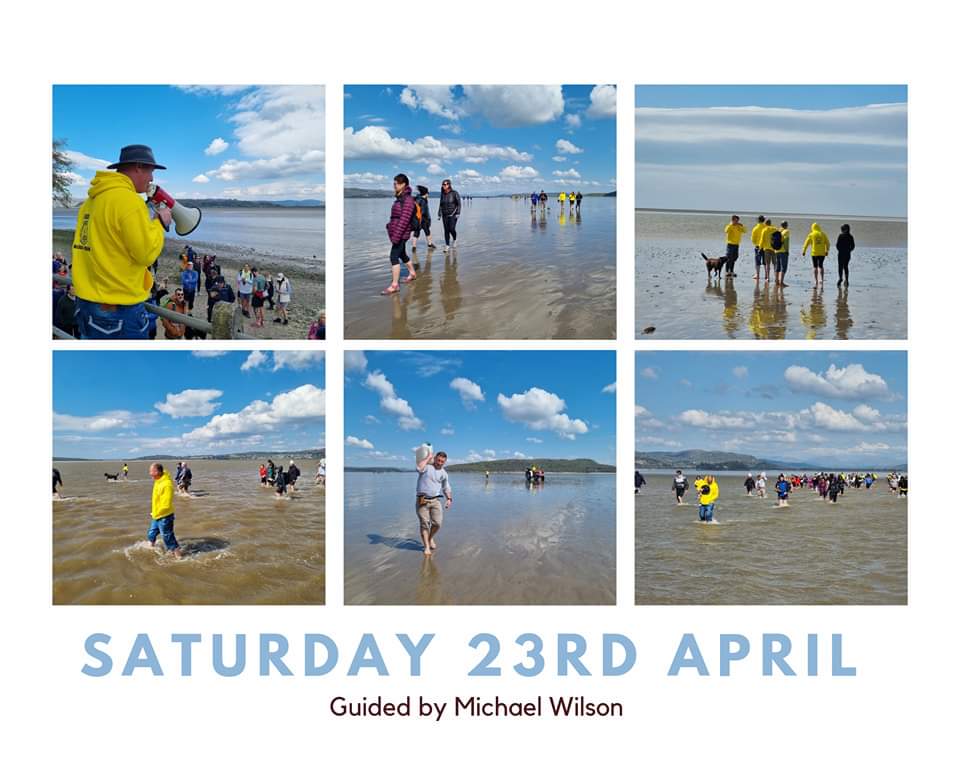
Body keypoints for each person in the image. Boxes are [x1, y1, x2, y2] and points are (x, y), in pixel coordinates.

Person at [71, 145, 172, 339]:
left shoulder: (90, 201)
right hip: (117, 308)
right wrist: (160, 223)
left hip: (85, 302)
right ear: (138, 167)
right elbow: (146, 255)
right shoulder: (129, 201)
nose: (152, 178)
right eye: (151, 172)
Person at [382, 174, 418, 295]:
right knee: (402, 254)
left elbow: (404, 220)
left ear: (403, 184)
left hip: (401, 233)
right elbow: (396, 217)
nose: (394, 185)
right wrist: (389, 225)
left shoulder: (408, 200)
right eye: (394, 183)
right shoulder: (400, 198)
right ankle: (412, 273)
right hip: (397, 232)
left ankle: (395, 285)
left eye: (396, 183)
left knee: (393, 256)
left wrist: (396, 236)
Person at [416, 448, 452, 555]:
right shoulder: (427, 467)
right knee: (425, 524)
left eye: (442, 461)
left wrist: (449, 499)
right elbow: (419, 468)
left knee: (437, 523)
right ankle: (426, 546)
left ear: (444, 462)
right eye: (438, 460)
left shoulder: (444, 473)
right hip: (422, 500)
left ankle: (430, 538)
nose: (439, 463)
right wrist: (428, 457)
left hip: (436, 501)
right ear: (435, 458)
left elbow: (446, 487)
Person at [147, 462, 181, 557]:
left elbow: (166, 505)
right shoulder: (158, 480)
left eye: (151, 471)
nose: (150, 473)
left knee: (168, 538)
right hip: (156, 515)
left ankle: (179, 557)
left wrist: (156, 513)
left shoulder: (166, 485)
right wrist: (154, 513)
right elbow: (163, 471)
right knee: (151, 534)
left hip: (165, 516)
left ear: (157, 472)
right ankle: (150, 549)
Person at [802, 222, 831, 287]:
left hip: (814, 253)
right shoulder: (823, 234)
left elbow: (806, 243)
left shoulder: (811, 234)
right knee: (821, 266)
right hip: (822, 253)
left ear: (812, 228)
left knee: (815, 267)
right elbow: (828, 243)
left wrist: (804, 251)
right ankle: (822, 280)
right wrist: (827, 250)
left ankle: (816, 280)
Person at [438, 179, 462, 253]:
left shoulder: (454, 193)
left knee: (452, 229)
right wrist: (439, 214)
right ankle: (447, 245)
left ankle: (454, 239)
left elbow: (459, 204)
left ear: (449, 185)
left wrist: (458, 213)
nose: (445, 186)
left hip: (453, 214)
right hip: (444, 215)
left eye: (446, 184)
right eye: (443, 184)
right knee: (446, 230)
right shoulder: (442, 194)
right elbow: (441, 205)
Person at [410, 185, 435, 251]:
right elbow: (423, 211)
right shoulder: (423, 200)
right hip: (423, 219)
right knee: (427, 231)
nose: (428, 195)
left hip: (416, 219)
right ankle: (430, 244)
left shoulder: (417, 198)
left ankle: (414, 247)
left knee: (416, 232)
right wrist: (428, 219)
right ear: (426, 194)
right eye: (427, 193)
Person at [757, 217, 777, 282]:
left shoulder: (764, 230)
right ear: (771, 223)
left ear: (765, 224)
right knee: (775, 264)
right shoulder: (775, 229)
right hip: (774, 249)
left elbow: (762, 240)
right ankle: (776, 278)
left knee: (768, 264)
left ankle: (768, 278)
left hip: (767, 249)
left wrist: (760, 248)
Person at [751, 215, 766, 281]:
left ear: (758, 220)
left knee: (757, 261)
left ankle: (757, 274)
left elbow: (753, 239)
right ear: (764, 220)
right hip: (765, 246)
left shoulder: (755, 228)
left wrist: (756, 243)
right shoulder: (766, 227)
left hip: (758, 246)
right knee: (765, 262)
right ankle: (766, 274)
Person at [775, 221, 790, 286]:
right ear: (786, 225)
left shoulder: (778, 231)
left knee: (777, 266)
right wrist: (787, 250)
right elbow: (786, 241)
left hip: (776, 251)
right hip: (783, 251)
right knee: (783, 267)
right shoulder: (786, 231)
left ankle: (776, 281)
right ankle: (781, 282)